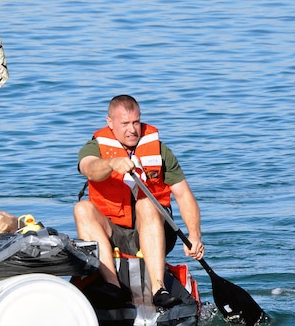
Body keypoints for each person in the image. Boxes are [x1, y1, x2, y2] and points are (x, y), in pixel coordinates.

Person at [74, 94, 205, 309]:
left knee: (146, 203)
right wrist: (111, 163)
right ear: (110, 123)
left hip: (155, 229)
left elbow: (183, 194)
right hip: (113, 231)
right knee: (82, 209)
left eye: (136, 122)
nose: (132, 129)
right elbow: (89, 168)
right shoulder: (95, 147)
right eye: (125, 123)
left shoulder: (160, 150)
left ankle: (158, 288)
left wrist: (194, 235)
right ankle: (112, 286)